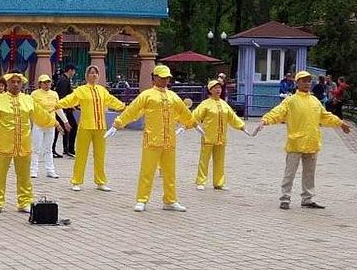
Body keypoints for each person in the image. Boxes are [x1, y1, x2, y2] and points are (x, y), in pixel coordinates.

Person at [0, 72, 67, 213]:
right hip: (4, 144)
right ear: (7, 83)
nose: (15, 84)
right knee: (0, 175)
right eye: (12, 82)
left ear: (22, 84)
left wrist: (56, 123)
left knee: (25, 176)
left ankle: (24, 202)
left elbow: (41, 114)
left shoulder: (27, 99)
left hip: (24, 144)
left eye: (18, 82)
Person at [252, 71, 352, 209]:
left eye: (309, 81)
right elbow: (278, 111)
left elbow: (325, 116)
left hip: (312, 142)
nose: (307, 83)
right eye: (304, 81)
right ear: (297, 83)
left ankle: (307, 198)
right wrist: (265, 120)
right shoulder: (291, 100)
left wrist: (340, 123)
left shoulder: (315, 101)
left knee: (309, 174)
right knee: (290, 173)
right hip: (296, 143)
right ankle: (285, 198)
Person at [112, 65, 197, 212]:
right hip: (152, 139)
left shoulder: (173, 96)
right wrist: (119, 122)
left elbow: (184, 112)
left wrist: (193, 123)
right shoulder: (147, 95)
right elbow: (132, 110)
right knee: (147, 171)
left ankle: (170, 200)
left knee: (170, 173)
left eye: (167, 78)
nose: (165, 81)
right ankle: (142, 199)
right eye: (162, 78)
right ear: (154, 78)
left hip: (169, 140)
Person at [57, 65, 126, 191]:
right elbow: (70, 100)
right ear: (87, 76)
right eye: (91, 73)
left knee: (100, 155)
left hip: (101, 127)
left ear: (98, 75)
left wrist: (123, 106)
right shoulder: (81, 90)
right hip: (86, 126)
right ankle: (77, 181)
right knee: (81, 155)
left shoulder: (102, 90)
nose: (94, 75)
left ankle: (100, 181)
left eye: (96, 73)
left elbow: (111, 100)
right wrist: (57, 104)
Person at [193, 80, 246, 190]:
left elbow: (232, 117)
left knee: (220, 161)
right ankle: (201, 181)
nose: (218, 90)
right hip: (208, 136)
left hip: (221, 137)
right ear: (210, 90)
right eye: (215, 88)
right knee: (204, 160)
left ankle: (219, 182)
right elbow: (195, 115)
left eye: (219, 88)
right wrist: (188, 123)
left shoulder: (224, 104)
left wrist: (241, 126)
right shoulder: (205, 104)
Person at [29, 74, 68, 179]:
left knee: (48, 148)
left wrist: (65, 121)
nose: (46, 84)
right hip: (39, 124)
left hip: (51, 125)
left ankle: (50, 170)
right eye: (44, 82)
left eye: (48, 82)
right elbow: (30, 109)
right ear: (40, 84)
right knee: (36, 148)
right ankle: (33, 170)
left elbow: (58, 108)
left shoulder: (54, 94)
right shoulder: (34, 94)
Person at [54, 64, 77, 157]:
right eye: (74, 71)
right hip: (63, 109)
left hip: (67, 108)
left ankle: (67, 149)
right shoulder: (64, 81)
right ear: (70, 70)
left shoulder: (65, 79)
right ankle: (68, 149)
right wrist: (64, 109)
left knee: (68, 128)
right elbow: (62, 96)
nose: (74, 73)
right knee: (69, 127)